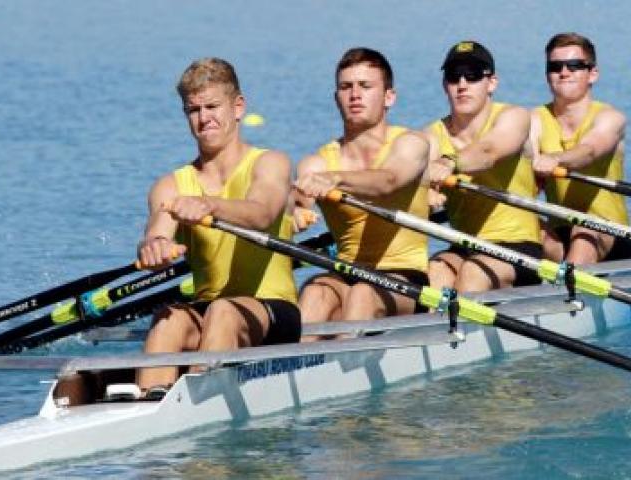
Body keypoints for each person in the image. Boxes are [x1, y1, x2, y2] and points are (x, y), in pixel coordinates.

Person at [136, 58, 300, 395]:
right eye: (193, 110)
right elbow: (158, 229)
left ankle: (196, 405)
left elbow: (261, 213)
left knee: (224, 311)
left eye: (213, 106)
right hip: (208, 310)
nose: (204, 118)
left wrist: (210, 205)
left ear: (238, 107)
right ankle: (148, 405)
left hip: (273, 311)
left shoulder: (271, 163)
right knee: (170, 317)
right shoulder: (171, 185)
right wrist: (154, 246)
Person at [293, 47, 431, 336]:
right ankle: (292, 370)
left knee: (363, 295)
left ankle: (342, 368)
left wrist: (335, 178)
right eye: (346, 87)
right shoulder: (316, 162)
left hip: (405, 278)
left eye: (365, 86)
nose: (355, 94)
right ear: (336, 98)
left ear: (388, 97)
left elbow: (388, 181)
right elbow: (298, 200)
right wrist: (293, 212)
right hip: (347, 273)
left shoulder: (411, 144)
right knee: (315, 292)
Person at [427, 41, 542, 293]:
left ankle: (463, 328)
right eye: (454, 76)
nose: (462, 84)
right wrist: (424, 192)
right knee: (433, 272)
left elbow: (488, 153)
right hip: (465, 246)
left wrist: (449, 163)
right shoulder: (431, 137)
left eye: (473, 75)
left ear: (491, 83)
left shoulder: (514, 117)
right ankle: (439, 330)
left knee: (473, 271)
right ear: (445, 85)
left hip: (519, 247)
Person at [529, 32, 629, 264]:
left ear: (592, 74)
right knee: (516, 228)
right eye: (555, 67)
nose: (564, 73)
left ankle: (572, 296)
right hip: (558, 232)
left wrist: (555, 159)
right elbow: (528, 167)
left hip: (608, 233)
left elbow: (589, 151)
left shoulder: (610, 118)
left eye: (574, 66)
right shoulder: (533, 119)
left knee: (583, 234)